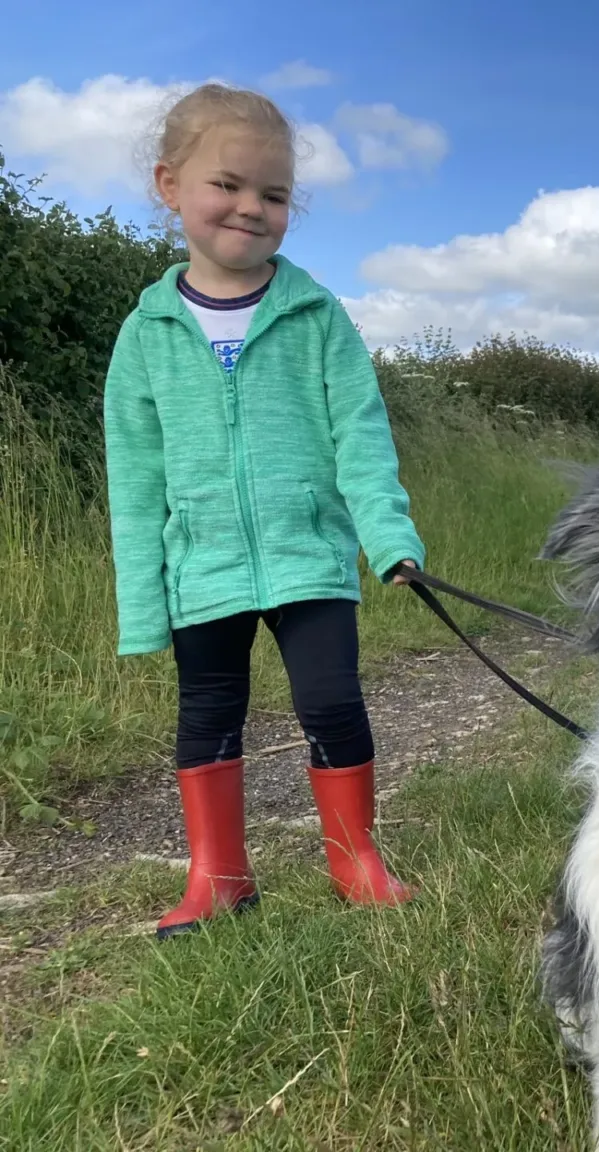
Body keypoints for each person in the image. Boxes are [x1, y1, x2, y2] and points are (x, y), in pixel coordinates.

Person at [103, 82, 425, 940]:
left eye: (273, 195)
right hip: (200, 566)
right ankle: (219, 877)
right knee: (207, 715)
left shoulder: (320, 317)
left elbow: (361, 438)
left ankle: (354, 859)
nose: (250, 208)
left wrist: (389, 538)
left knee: (330, 703)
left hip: (310, 557)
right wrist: (144, 606)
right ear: (171, 186)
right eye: (228, 185)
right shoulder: (145, 335)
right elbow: (132, 486)